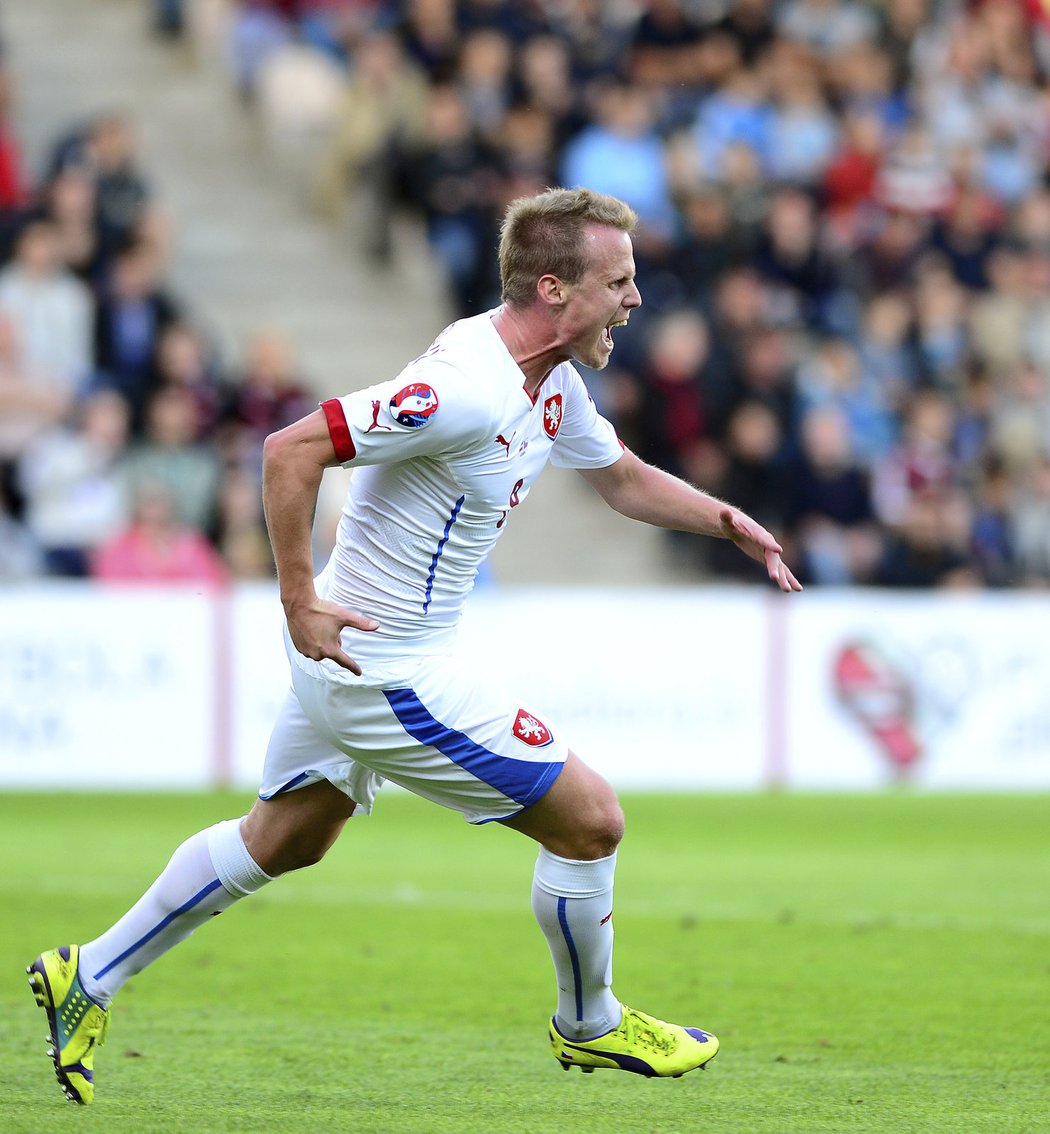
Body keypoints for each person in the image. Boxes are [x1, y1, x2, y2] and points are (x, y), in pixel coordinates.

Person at [27, 187, 800, 1106]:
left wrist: (726, 520)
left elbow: (623, 478)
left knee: (288, 836)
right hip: (383, 668)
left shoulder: (549, 382)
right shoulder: (463, 393)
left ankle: (93, 972)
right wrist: (297, 597)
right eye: (619, 281)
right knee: (591, 820)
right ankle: (591, 1025)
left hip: (349, 660)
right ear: (554, 289)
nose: (635, 300)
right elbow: (288, 450)